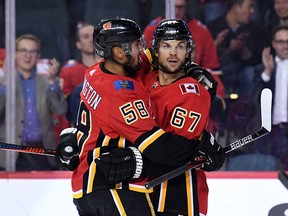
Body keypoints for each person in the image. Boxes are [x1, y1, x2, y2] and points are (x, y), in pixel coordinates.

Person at [55, 17, 225, 216]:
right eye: (137, 45)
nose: (143, 51)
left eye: (180, 46)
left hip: (176, 195)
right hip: (118, 187)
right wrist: (201, 146)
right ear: (119, 52)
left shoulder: (99, 72)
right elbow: (161, 148)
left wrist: (72, 137)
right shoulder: (124, 89)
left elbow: (176, 149)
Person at [143, 18, 223, 216]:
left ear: (188, 51)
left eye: (180, 46)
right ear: (155, 49)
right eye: (166, 46)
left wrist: (132, 162)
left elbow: (176, 152)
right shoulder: (146, 79)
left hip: (181, 194)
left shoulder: (193, 92)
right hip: (147, 190)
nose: (173, 53)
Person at [0, 34, 67, 171]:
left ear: (38, 56)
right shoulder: (4, 81)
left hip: (42, 151)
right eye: (23, 51)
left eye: (32, 52)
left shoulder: (45, 81)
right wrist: (5, 82)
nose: (27, 56)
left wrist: (52, 81)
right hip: (12, 152)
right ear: (14, 54)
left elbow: (60, 110)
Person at [207, 0, 269, 97]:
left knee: (249, 73)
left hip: (243, 72)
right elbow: (207, 58)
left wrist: (244, 50)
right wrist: (216, 44)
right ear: (236, 8)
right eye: (249, 7)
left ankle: (245, 108)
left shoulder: (255, 30)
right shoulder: (213, 27)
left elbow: (260, 60)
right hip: (220, 72)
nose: (252, 11)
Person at [144, 0, 221, 72]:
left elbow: (211, 67)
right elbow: (145, 64)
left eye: (181, 7)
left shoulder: (201, 31)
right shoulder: (152, 29)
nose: (177, 12)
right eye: (175, 7)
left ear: (187, 6)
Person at [252, 24, 288, 170]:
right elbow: (253, 100)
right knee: (274, 174)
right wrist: (267, 72)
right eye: (280, 42)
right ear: (273, 44)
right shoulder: (264, 69)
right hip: (273, 132)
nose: (285, 46)